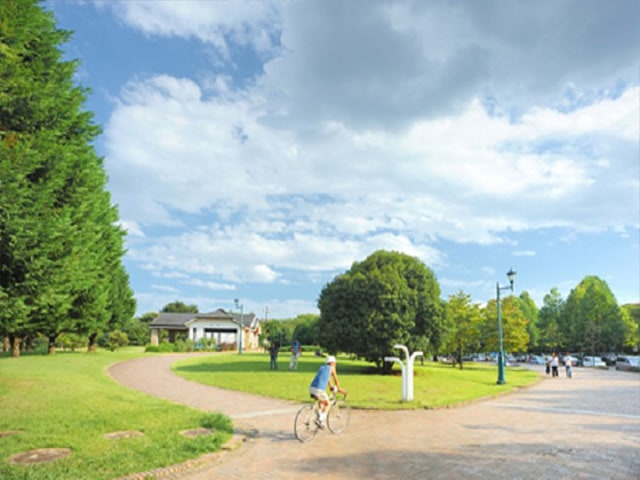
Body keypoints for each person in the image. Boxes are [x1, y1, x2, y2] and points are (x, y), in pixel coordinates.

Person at [308, 356, 346, 428]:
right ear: (332, 363)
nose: (335, 365)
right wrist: (341, 390)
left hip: (312, 388)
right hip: (319, 389)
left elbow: (326, 378)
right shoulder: (332, 368)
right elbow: (336, 380)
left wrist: (330, 386)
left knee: (321, 401)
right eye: (335, 363)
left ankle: (319, 415)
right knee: (328, 403)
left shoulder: (322, 368)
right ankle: (320, 419)